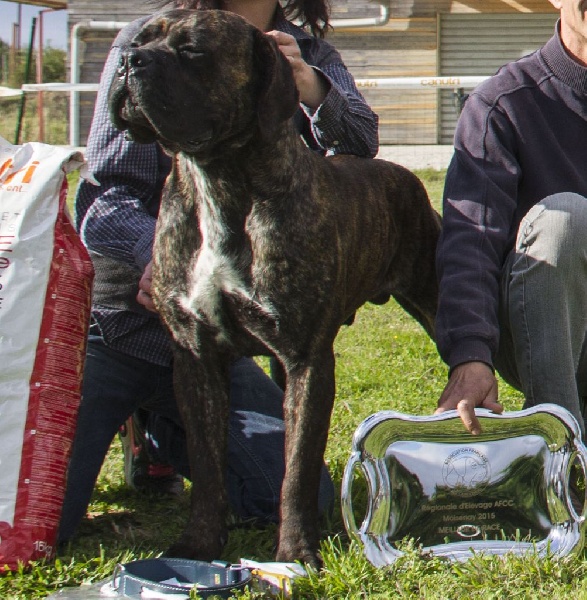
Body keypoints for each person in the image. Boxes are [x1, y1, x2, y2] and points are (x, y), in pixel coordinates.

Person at [57, 0, 379, 544]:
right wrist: (154, 256)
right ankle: (136, 415)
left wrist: (312, 89)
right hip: (125, 327)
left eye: (192, 57)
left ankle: (163, 432)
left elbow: (360, 149)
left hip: (227, 340)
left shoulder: (306, 51)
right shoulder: (144, 39)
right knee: (39, 519)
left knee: (292, 498)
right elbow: (104, 195)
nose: (151, 56)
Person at [434, 0, 587, 437]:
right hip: (548, 329)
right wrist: (470, 353)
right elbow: (471, 241)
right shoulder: (503, 104)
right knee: (565, 219)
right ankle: (559, 441)